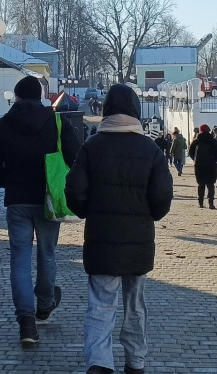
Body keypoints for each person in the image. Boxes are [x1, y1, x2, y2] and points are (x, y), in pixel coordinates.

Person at [65, 84, 173, 374]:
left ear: (107, 110)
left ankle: (99, 362)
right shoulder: (150, 150)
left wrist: (91, 213)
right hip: (138, 238)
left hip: (101, 236)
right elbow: (162, 197)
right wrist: (148, 215)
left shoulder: (91, 147)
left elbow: (74, 191)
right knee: (135, 303)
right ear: (136, 111)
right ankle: (135, 361)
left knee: (101, 303)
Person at [0, 75, 81, 346]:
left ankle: (26, 322)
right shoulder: (57, 121)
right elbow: (75, 156)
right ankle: (45, 304)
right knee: (47, 253)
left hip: (17, 201)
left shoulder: (3, 125)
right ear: (40, 96)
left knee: (19, 260)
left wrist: (9, 181)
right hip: (48, 198)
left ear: (16, 97)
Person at [188, 125, 217, 208]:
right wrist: (214, 160)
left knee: (201, 184)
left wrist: (196, 160)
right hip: (211, 165)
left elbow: (190, 152)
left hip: (199, 165)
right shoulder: (213, 141)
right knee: (210, 184)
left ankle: (201, 202)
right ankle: (211, 202)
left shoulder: (196, 141)